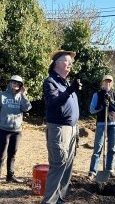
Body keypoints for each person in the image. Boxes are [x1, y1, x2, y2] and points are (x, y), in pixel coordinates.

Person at [42, 50, 82, 204]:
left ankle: (60, 200)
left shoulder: (65, 83)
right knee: (58, 166)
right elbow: (53, 103)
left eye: (70, 61)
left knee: (67, 167)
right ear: (57, 63)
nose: (70, 64)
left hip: (72, 130)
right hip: (59, 130)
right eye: (66, 61)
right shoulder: (50, 82)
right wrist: (70, 90)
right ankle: (49, 202)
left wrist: (70, 89)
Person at [0, 75, 32, 184]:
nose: (15, 85)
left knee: (12, 154)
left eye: (18, 83)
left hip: (17, 131)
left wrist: (24, 94)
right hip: (3, 130)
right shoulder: (2, 96)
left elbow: (27, 108)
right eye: (13, 82)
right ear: (10, 83)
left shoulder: (21, 96)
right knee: (1, 154)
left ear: (21, 86)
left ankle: (10, 176)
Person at [88, 75, 115, 179]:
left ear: (112, 83)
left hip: (113, 124)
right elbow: (92, 110)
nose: (107, 83)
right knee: (98, 147)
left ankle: (109, 169)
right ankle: (93, 171)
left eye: (109, 82)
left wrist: (111, 102)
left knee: (111, 148)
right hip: (101, 124)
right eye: (106, 81)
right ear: (103, 82)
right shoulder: (97, 95)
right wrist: (101, 106)